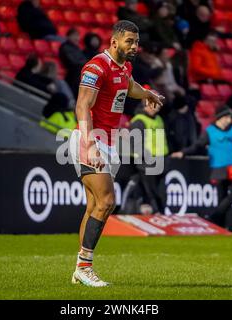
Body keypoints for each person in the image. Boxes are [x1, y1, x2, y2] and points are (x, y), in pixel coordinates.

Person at [68, 20, 164, 287]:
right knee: (107, 200)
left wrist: (146, 93)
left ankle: (80, 269)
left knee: (94, 206)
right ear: (114, 42)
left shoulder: (124, 67)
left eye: (136, 42)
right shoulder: (96, 66)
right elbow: (82, 106)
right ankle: (85, 267)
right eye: (129, 41)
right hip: (90, 140)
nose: (134, 46)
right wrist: (90, 145)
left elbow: (129, 85)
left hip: (109, 143)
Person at [171, 105, 232, 228]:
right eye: (226, 117)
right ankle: (221, 226)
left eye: (229, 117)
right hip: (218, 168)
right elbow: (197, 146)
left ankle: (214, 217)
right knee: (222, 196)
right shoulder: (210, 132)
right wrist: (183, 152)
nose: (229, 120)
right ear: (219, 118)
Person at [126, 97, 169, 214]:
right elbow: (136, 143)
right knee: (151, 191)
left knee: (161, 191)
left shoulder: (159, 119)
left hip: (161, 160)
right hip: (147, 162)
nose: (157, 107)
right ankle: (156, 214)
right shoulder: (139, 120)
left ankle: (160, 214)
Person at [59, 28, 87, 97]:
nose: (77, 38)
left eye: (78, 35)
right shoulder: (65, 47)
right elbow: (71, 61)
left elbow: (83, 59)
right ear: (68, 36)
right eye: (74, 35)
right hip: (72, 71)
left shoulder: (77, 48)